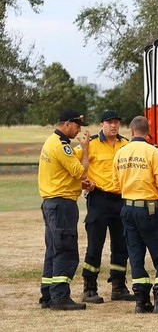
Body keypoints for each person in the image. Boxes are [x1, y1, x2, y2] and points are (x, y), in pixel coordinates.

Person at [115, 115, 158, 313]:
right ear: (148, 133)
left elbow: (115, 182)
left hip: (127, 208)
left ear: (131, 131)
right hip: (149, 208)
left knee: (136, 255)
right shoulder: (152, 151)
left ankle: (141, 300)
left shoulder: (121, 152)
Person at [38, 109, 91, 310]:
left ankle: (47, 294)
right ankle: (60, 297)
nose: (78, 131)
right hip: (62, 205)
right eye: (77, 126)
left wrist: (81, 185)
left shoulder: (51, 141)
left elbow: (63, 172)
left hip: (51, 202)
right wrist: (85, 149)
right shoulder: (61, 146)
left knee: (52, 249)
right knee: (65, 250)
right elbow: (81, 171)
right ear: (67, 124)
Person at [80, 109, 135, 304]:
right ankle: (89, 288)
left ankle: (119, 287)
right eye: (109, 122)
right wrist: (84, 182)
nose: (113, 125)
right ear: (101, 124)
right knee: (95, 244)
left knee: (122, 245)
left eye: (116, 122)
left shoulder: (126, 145)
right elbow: (76, 167)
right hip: (99, 199)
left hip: (121, 199)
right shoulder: (91, 144)